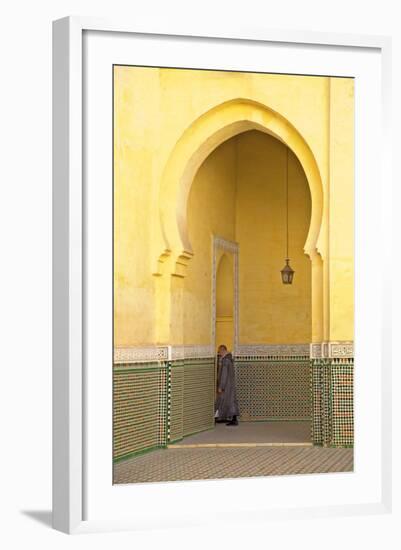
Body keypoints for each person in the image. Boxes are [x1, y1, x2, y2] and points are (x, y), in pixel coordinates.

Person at [214, 344, 240, 426]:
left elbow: (224, 375)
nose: (219, 353)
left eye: (219, 352)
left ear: (223, 350)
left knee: (229, 402)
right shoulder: (230, 359)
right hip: (230, 384)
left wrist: (221, 386)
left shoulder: (225, 360)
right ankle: (223, 417)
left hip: (226, 386)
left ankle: (233, 419)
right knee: (227, 401)